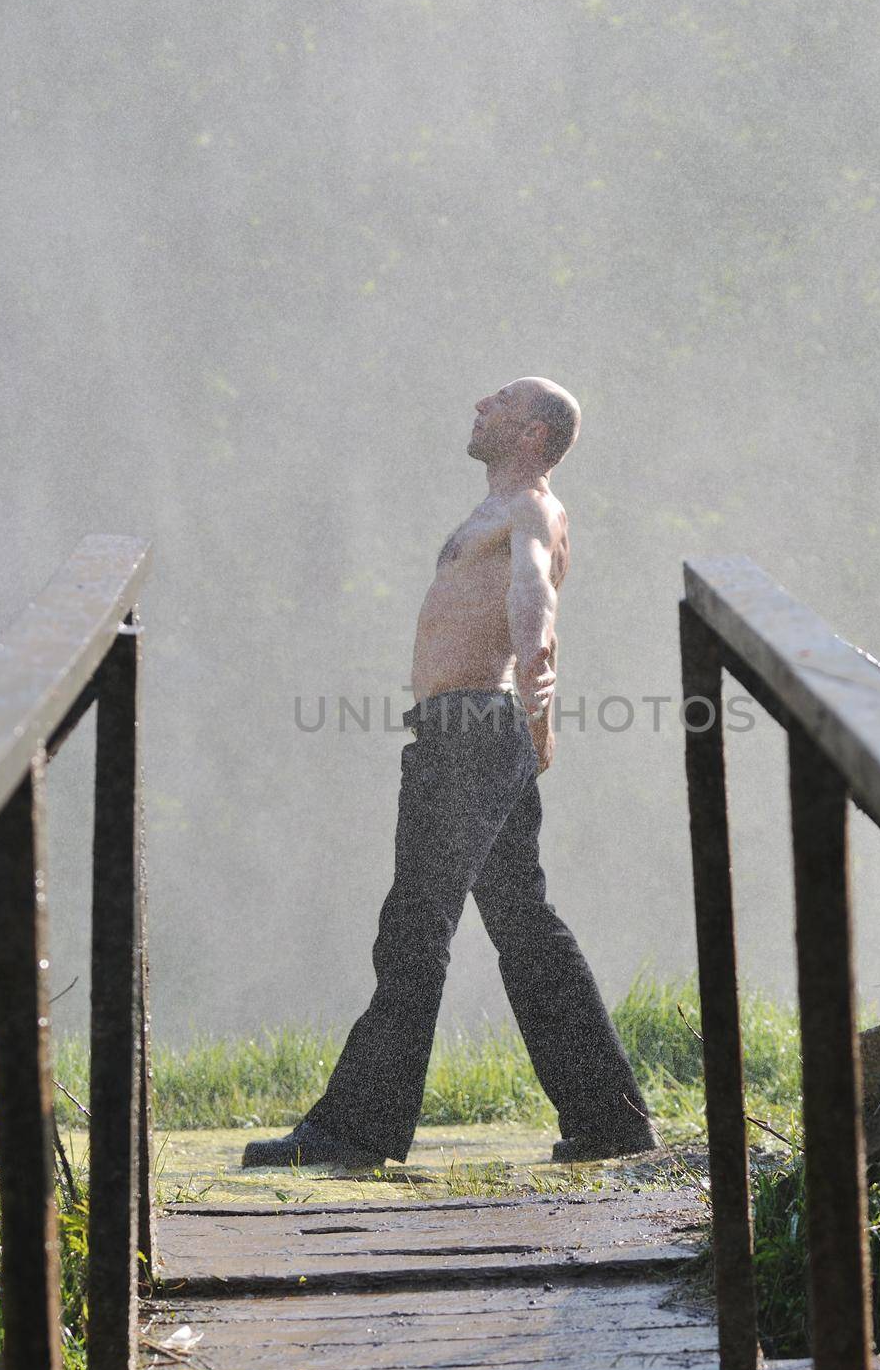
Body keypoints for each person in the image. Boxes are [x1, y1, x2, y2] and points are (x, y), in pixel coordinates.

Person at [243, 377, 656, 1170]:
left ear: (534, 432)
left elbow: (533, 590)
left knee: (414, 922)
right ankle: (610, 1120)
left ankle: (355, 1130)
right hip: (470, 731)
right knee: (523, 924)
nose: (477, 405)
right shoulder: (493, 511)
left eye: (498, 402)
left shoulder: (530, 507)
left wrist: (539, 676)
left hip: (473, 732)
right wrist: (528, 730)